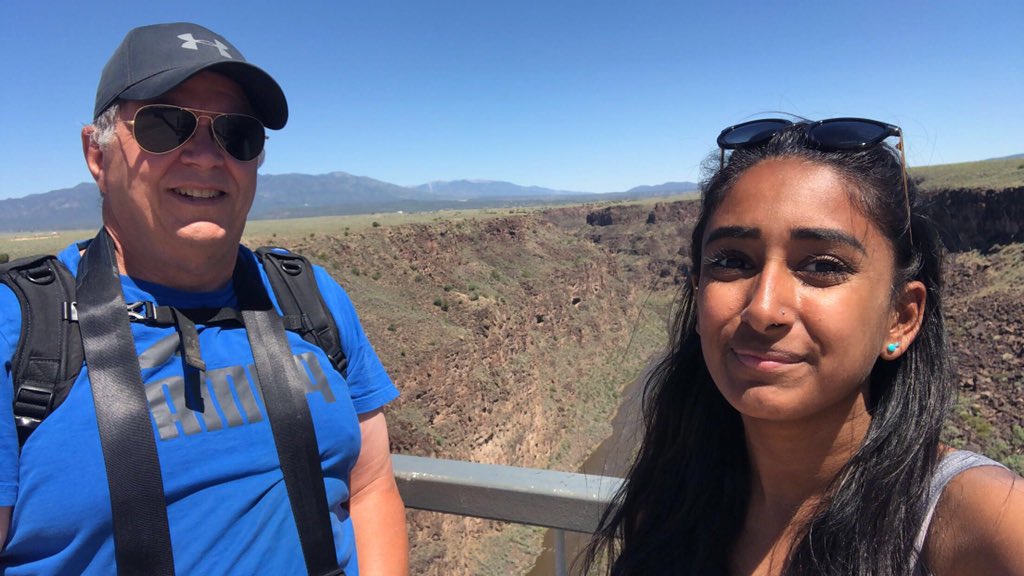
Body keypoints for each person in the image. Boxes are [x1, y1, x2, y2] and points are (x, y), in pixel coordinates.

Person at [0, 22, 408, 575]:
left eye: (237, 134)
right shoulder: (21, 328)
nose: (207, 157)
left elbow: (371, 488)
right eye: (166, 125)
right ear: (96, 155)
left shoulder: (310, 299)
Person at [580, 117, 1024, 575]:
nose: (763, 308)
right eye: (732, 260)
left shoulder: (987, 527)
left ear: (901, 317)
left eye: (823, 266)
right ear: (698, 294)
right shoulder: (668, 506)